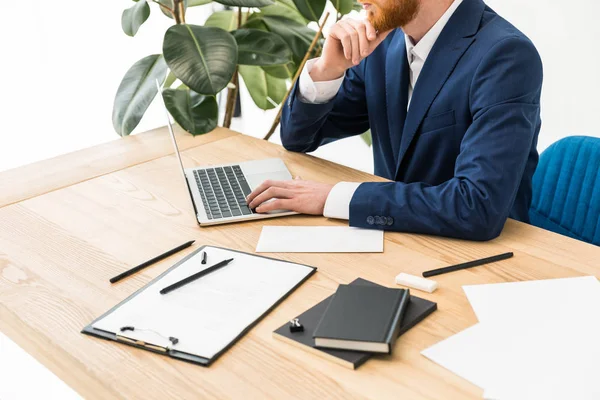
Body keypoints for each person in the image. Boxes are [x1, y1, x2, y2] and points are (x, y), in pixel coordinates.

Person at [246, 0, 543, 241]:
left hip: (474, 258)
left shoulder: (505, 54)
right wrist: (328, 69)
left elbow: (476, 206)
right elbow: (300, 138)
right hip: (394, 240)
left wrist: (331, 197)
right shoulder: (383, 44)